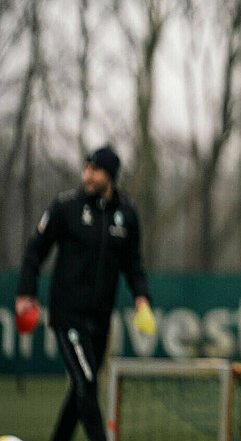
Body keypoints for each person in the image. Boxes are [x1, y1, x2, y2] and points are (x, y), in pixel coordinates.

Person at [16, 145, 152, 441]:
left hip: (100, 320)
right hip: (68, 315)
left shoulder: (126, 215)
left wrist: (142, 298)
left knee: (81, 389)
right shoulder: (66, 208)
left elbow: (134, 265)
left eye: (95, 170)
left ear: (110, 176)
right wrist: (26, 292)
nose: (87, 175)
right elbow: (34, 251)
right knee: (88, 382)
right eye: (86, 168)